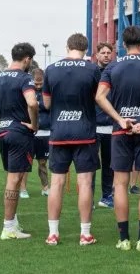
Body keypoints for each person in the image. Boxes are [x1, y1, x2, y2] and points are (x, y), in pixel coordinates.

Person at [95, 26, 140, 251]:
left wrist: (119, 119)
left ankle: (123, 239)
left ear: (123, 45)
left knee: (120, 185)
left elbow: (99, 97)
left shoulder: (113, 67)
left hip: (120, 131)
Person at [43, 33, 101, 246]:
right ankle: (85, 234)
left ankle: (53, 234)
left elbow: (46, 103)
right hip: (84, 132)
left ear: (67, 47)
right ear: (86, 49)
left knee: (56, 183)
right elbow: (99, 98)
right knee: (85, 183)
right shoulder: (92, 69)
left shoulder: (51, 69)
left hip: (59, 132)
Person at [0, 43, 38, 240]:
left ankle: (12, 222)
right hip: (19, 133)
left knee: (13, 177)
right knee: (14, 180)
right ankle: (8, 227)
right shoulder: (25, 78)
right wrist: (34, 124)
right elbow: (32, 103)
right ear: (27, 59)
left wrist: (1, 122)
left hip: (3, 132)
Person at [94, 42, 115, 208]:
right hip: (93, 126)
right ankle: (88, 198)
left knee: (109, 164)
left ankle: (107, 197)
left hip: (111, 126)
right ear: (97, 55)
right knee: (91, 164)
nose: (106, 55)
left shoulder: (116, 72)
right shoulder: (92, 73)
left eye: (109, 52)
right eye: (103, 53)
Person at [32, 68, 50, 196]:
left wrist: (37, 104)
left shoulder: (48, 92)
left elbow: (49, 106)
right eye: (36, 84)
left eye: (40, 83)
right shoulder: (27, 90)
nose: (38, 86)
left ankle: (45, 187)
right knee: (25, 162)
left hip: (46, 132)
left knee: (43, 162)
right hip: (30, 132)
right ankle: (21, 189)